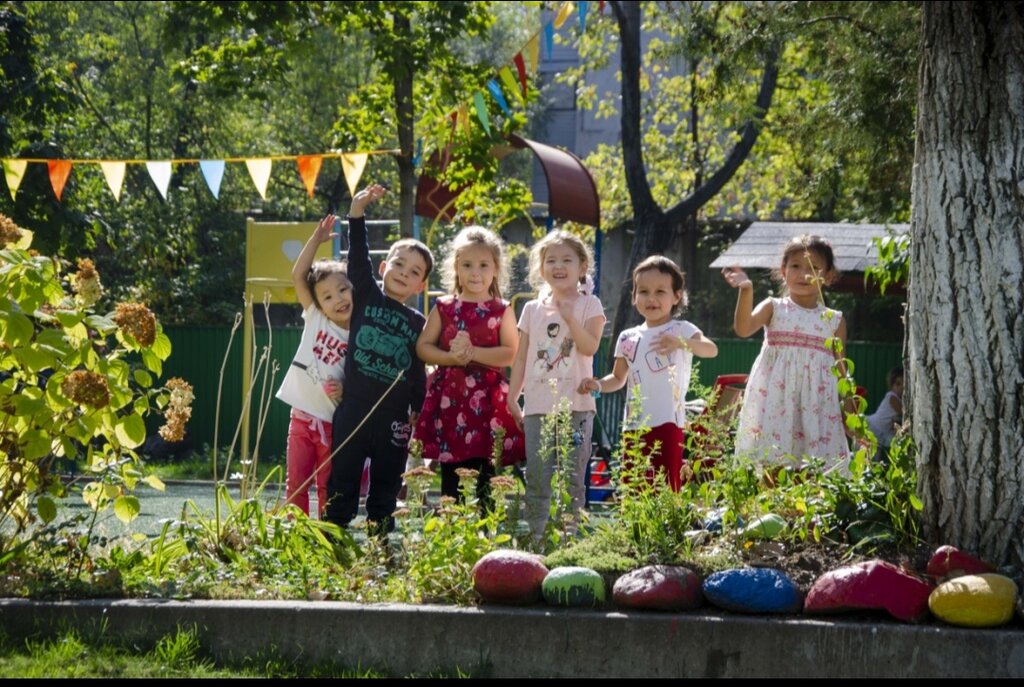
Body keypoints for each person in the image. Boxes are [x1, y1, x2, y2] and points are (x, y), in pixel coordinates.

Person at [323, 184, 432, 538]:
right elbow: (357, 257)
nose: (404, 272)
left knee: (385, 485)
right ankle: (334, 538)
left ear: (421, 286)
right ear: (384, 266)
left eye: (414, 271)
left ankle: (381, 541)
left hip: (394, 418)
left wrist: (417, 406)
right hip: (354, 408)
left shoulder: (419, 324)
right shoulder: (367, 295)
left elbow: (418, 371)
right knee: (343, 478)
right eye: (399, 264)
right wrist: (357, 214)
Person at [579, 256, 718, 491]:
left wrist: (681, 342)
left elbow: (711, 350)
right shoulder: (627, 337)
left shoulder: (681, 329)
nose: (651, 298)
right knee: (634, 487)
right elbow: (618, 378)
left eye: (660, 291)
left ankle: (664, 528)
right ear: (634, 296)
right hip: (634, 425)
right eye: (643, 291)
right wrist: (598, 385)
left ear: (676, 296)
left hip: (668, 422)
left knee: (666, 487)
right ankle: (631, 528)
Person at [412, 226, 526, 506]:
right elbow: (423, 347)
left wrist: (473, 352)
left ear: (496, 269)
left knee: (486, 470)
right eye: (467, 265)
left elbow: (511, 353)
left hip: (487, 404)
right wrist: (451, 358)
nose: (476, 272)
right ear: (456, 268)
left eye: (483, 265)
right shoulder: (444, 307)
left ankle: (486, 536)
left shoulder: (502, 309)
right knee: (452, 473)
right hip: (450, 401)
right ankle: (453, 534)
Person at [507, 230, 606, 545]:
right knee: (537, 476)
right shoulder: (532, 310)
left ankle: (567, 540)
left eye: (567, 260)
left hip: (577, 411)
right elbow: (522, 357)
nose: (558, 266)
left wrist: (570, 318)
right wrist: (513, 397)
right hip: (538, 410)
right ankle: (537, 539)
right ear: (541, 268)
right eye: (551, 260)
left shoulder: (590, 304)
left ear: (582, 267)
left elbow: (589, 348)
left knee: (573, 475)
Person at [722, 234, 849, 473]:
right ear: (783, 270)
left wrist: (851, 410)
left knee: (814, 468)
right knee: (772, 464)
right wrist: (746, 289)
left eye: (813, 268)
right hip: (775, 402)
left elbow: (842, 371)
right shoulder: (774, 308)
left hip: (816, 406)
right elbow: (743, 328)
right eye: (795, 266)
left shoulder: (834, 321)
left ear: (828, 275)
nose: (803, 274)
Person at [274, 218, 352, 518]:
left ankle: (324, 536)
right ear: (318, 303)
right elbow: (298, 275)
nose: (338, 300)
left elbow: (360, 379)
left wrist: (345, 389)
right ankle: (298, 536)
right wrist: (316, 240)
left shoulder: (361, 333)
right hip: (302, 417)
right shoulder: (316, 318)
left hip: (334, 422)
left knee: (326, 486)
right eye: (328, 296)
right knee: (296, 484)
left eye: (343, 290)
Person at [866, 366, 904, 463]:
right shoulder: (892, 397)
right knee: (870, 456)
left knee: (876, 458)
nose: (901, 387)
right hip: (874, 427)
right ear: (891, 385)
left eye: (904, 384)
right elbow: (902, 412)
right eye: (898, 384)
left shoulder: (898, 399)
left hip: (883, 431)